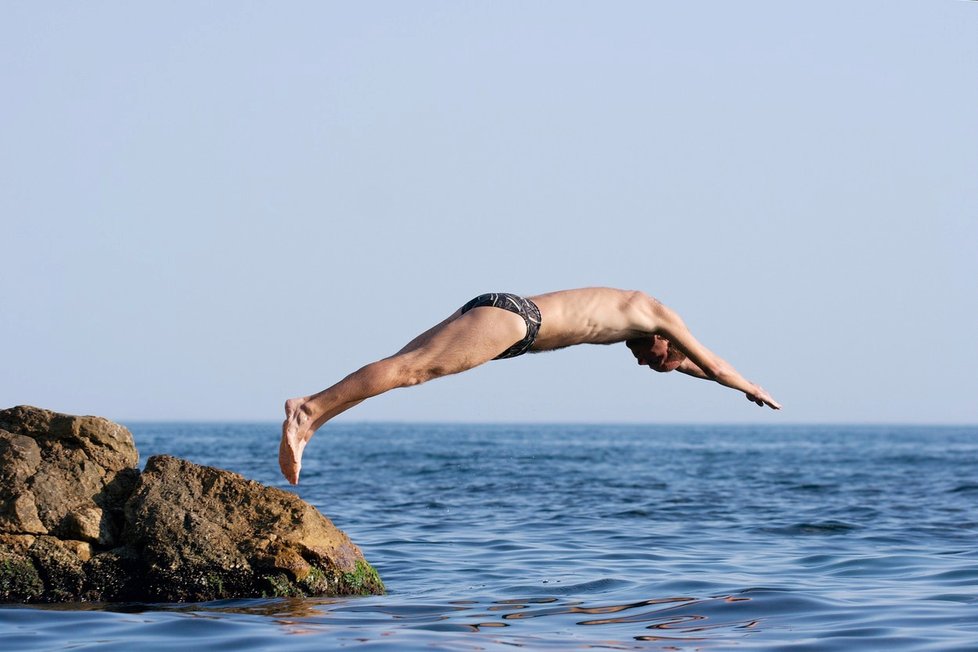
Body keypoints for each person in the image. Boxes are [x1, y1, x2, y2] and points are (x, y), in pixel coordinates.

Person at [280, 287, 780, 484]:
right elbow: (708, 361)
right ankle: (308, 407)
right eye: (652, 360)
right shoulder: (658, 316)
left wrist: (720, 383)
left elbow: (694, 367)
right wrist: (747, 386)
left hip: (505, 312)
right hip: (518, 324)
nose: (641, 361)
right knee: (412, 370)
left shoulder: (642, 327)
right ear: (665, 342)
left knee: (403, 365)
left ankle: (312, 422)